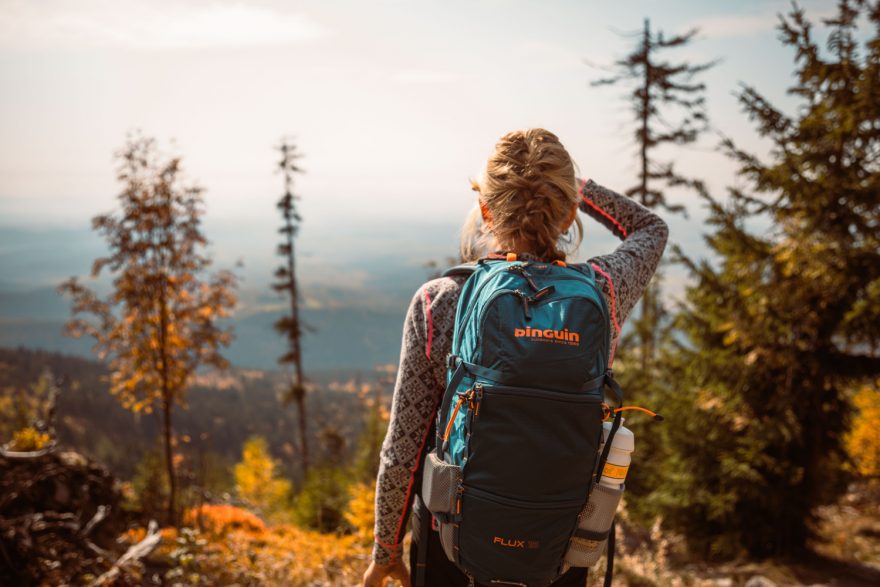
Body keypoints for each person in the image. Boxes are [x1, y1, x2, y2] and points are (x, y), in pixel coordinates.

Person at [362, 128, 669, 587]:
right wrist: (575, 190)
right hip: (558, 547)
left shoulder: (440, 301)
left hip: (451, 544)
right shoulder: (603, 292)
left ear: (485, 209)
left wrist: (386, 551)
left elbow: (404, 447)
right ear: (569, 214)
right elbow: (650, 228)